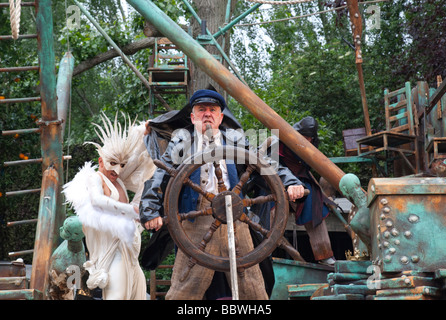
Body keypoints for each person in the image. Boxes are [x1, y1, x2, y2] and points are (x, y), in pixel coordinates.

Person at [139, 89, 305, 300]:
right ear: (192, 117)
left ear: (220, 117)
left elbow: (266, 163)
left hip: (237, 217)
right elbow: (160, 174)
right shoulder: (181, 142)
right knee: (185, 289)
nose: (207, 114)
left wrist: (290, 182)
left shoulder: (234, 139)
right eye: (201, 110)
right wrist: (149, 210)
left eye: (212, 110)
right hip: (195, 218)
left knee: (252, 288)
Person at [63, 112, 155, 300]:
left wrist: (142, 135)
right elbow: (97, 200)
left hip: (128, 248)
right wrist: (131, 210)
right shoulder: (93, 177)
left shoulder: (118, 180)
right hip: (110, 250)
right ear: (100, 161)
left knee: (137, 295)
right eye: (112, 163)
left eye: (121, 165)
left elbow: (135, 157)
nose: (117, 169)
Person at [278, 116, 336, 266]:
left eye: (310, 138)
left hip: (301, 181)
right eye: (304, 137)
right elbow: (268, 166)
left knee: (315, 206)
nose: (308, 140)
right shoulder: (278, 142)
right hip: (275, 182)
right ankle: (261, 253)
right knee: (268, 209)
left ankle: (324, 255)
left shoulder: (311, 145)